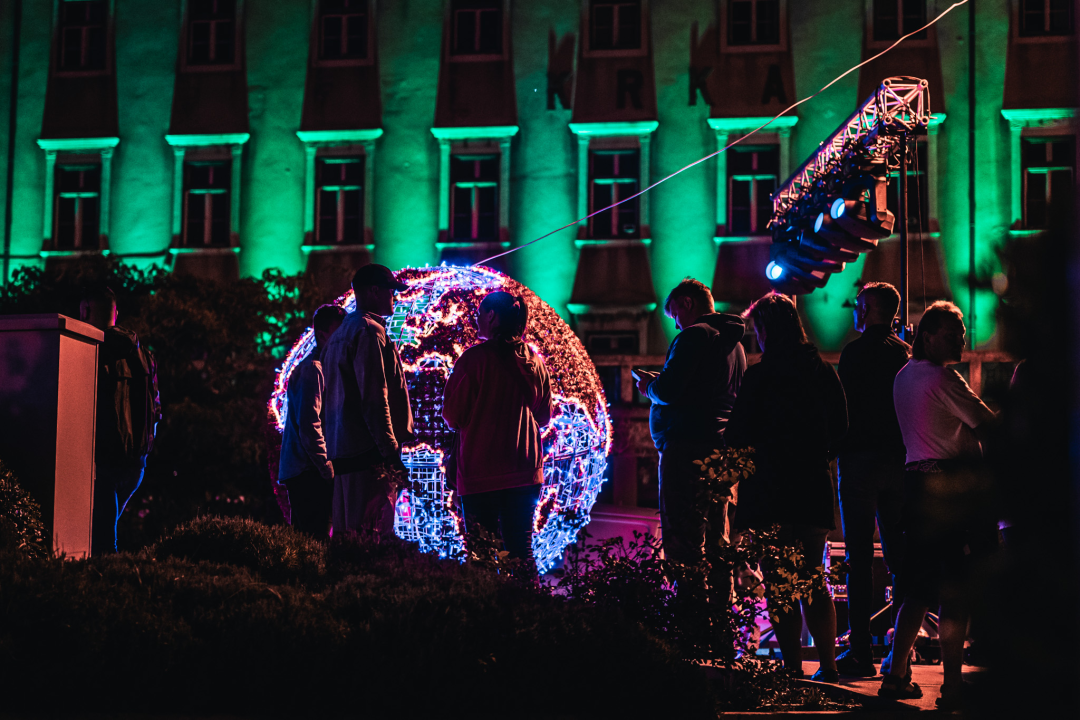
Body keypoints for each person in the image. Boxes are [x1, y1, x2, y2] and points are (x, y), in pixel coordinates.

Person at [726, 292, 848, 682]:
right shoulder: (823, 371)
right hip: (812, 487)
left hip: (769, 492)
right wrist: (819, 454)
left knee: (780, 585)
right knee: (814, 579)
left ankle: (792, 667)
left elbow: (737, 434)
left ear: (764, 330)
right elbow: (843, 430)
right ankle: (828, 665)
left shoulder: (759, 376)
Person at [880, 301, 996, 709]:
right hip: (949, 489)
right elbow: (988, 426)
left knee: (916, 589)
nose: (960, 340)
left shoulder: (902, 377)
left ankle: (895, 676)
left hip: (914, 484)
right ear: (926, 336)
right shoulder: (944, 379)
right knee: (954, 590)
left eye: (961, 333)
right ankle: (951, 685)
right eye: (951, 333)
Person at [634, 277, 746, 564]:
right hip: (719, 450)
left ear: (687, 303)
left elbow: (669, 391)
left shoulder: (694, 336)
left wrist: (649, 386)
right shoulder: (736, 346)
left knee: (684, 539)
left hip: (686, 451)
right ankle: (719, 604)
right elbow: (705, 389)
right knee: (716, 535)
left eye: (674, 314)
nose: (675, 325)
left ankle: (690, 605)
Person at [443, 291, 553, 574]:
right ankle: (527, 610)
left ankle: (488, 616)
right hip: (525, 472)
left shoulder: (472, 361)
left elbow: (452, 416)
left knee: (481, 557)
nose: (477, 318)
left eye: (480, 313)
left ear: (492, 316)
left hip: (481, 473)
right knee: (521, 553)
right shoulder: (536, 362)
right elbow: (543, 416)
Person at [835, 283, 910, 677]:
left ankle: (859, 652)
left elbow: (843, 409)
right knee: (900, 560)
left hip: (860, 461)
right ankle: (900, 652)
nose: (854, 312)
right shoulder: (905, 355)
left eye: (857, 306)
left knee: (858, 558)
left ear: (866, 310)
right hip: (898, 462)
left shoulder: (853, 353)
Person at [322, 264, 413, 537]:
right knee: (373, 537)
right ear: (374, 291)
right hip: (369, 456)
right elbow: (374, 400)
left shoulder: (339, 335)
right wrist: (390, 453)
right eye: (391, 292)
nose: (395, 298)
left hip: (343, 455)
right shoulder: (369, 332)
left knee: (347, 537)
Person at [81, 286, 161, 556]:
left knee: (98, 543)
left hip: (104, 459)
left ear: (85, 310)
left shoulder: (88, 351)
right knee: (103, 533)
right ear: (117, 313)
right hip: (136, 460)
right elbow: (157, 409)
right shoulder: (145, 355)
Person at [278, 304, 346, 538]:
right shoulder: (313, 370)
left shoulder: (318, 368)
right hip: (308, 472)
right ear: (322, 334)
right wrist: (326, 467)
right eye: (339, 333)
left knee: (307, 540)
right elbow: (309, 425)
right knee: (314, 539)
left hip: (306, 470)